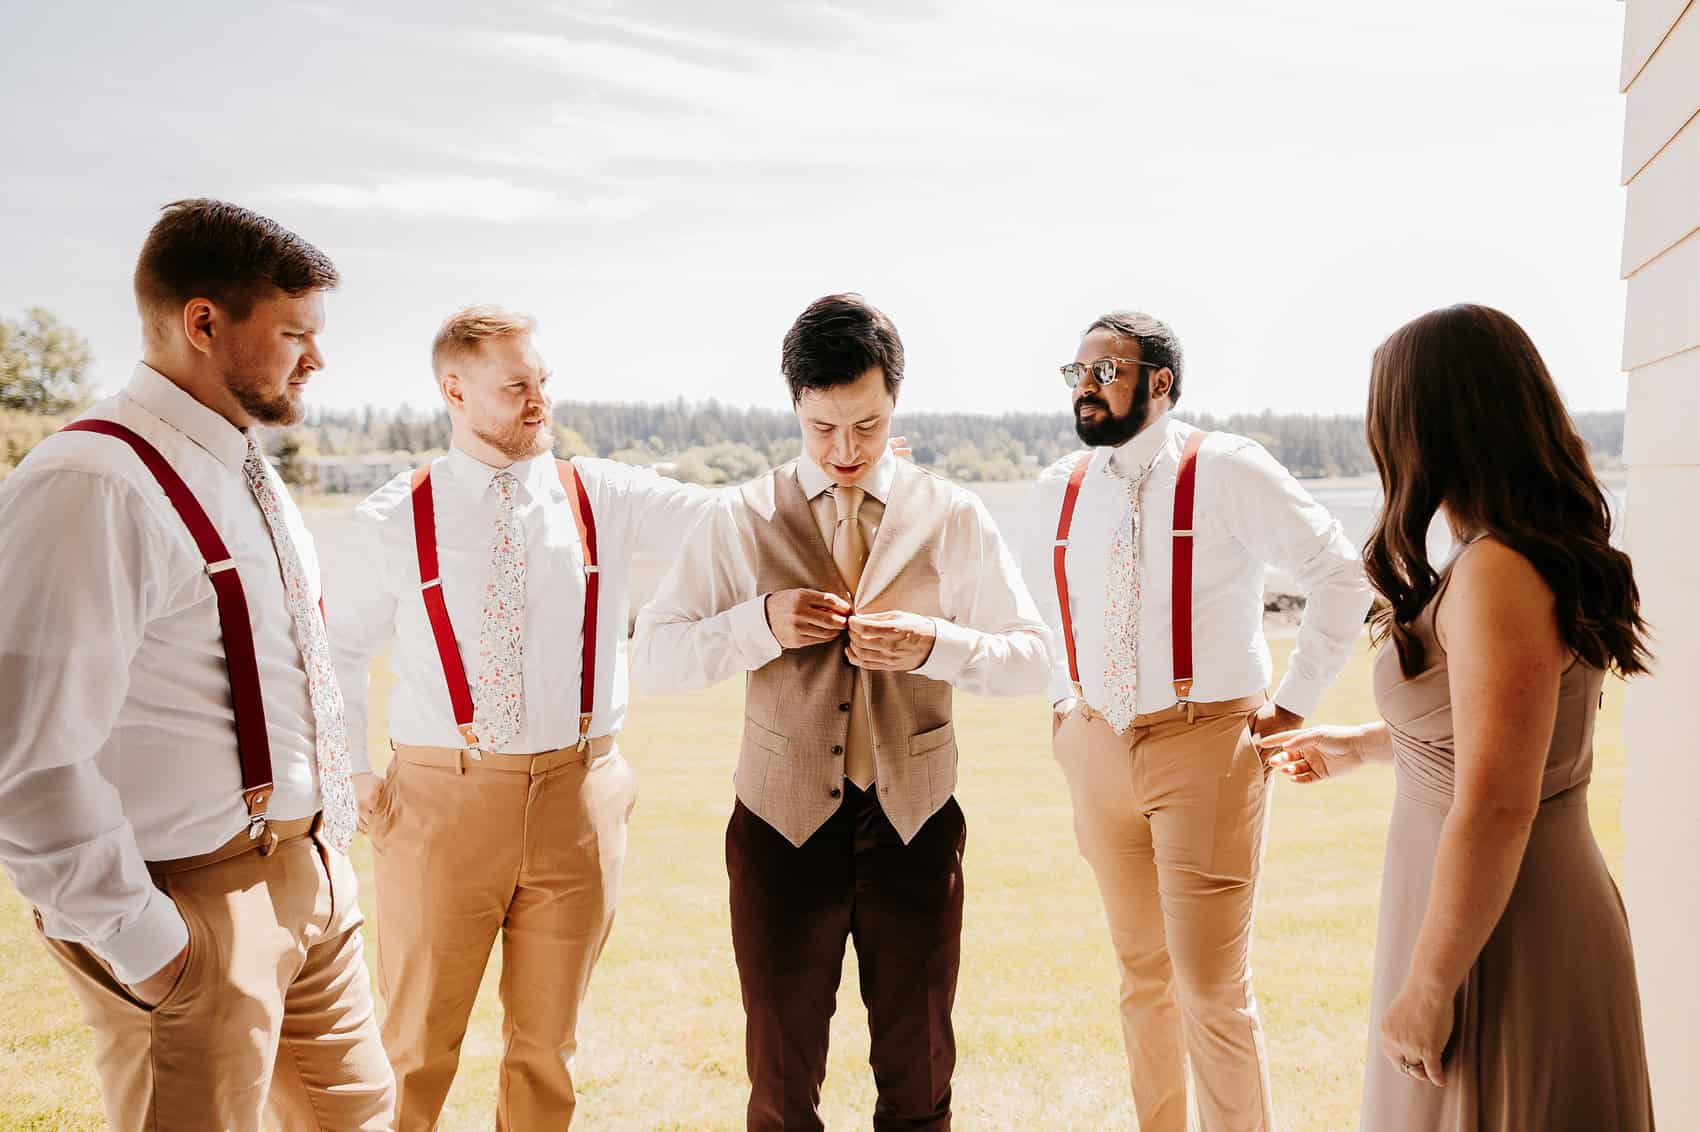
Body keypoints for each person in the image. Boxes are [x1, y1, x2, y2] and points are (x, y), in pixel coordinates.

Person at [0, 199, 394, 1130]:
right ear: (204, 322)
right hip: (191, 907)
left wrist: (325, 861)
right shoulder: (91, 483)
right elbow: (26, 757)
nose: (319, 359)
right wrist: (155, 949)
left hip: (313, 884)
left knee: (360, 1113)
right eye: (295, 332)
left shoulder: (247, 471)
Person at [630, 293, 1051, 1132]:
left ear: (894, 400)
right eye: (823, 428)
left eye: (866, 424)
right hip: (779, 831)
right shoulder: (738, 518)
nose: (846, 450)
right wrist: (758, 625)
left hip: (916, 824)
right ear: (795, 406)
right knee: (782, 1093)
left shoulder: (954, 515)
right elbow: (654, 659)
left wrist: (935, 644)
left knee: (921, 1081)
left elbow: (1033, 660)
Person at [324, 305, 723, 1130]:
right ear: (455, 391)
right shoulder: (395, 517)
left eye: (542, 382)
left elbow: (729, 520)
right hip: (443, 801)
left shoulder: (600, 492)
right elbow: (332, 656)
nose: (539, 401)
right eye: (516, 387)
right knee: (415, 1041)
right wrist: (353, 774)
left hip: (580, 795)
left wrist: (830, 476)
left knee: (547, 1048)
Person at [1258, 303, 1655, 1131]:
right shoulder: (1506, 553)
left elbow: (1502, 799)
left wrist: (1432, 983)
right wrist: (1366, 746)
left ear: (1426, 425)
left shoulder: (1497, 571)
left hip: (1504, 923)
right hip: (1478, 899)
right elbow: (1495, 740)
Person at [1026, 310, 1373, 1131]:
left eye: (1105, 371)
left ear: (1160, 382)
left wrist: (1292, 705)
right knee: (1142, 976)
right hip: (1097, 747)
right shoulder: (1057, 490)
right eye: (1076, 373)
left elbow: (1339, 574)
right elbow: (1043, 612)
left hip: (1207, 742)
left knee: (1212, 989)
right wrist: (1059, 710)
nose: (1086, 387)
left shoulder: (1226, 470)